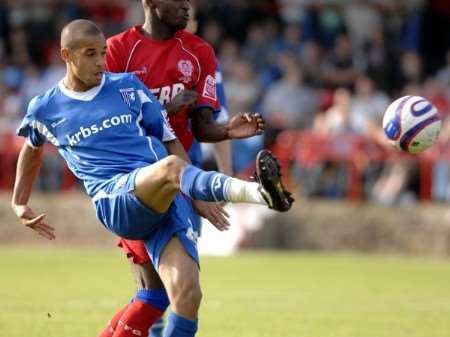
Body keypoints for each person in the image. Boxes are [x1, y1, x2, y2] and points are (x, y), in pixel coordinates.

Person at [11, 19, 293, 337]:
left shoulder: (127, 86)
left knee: (184, 295)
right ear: (66, 55)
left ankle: (261, 193)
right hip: (114, 198)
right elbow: (31, 149)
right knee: (171, 169)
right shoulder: (45, 108)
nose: (100, 62)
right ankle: (261, 194)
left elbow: (171, 139)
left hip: (161, 195)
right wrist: (20, 202)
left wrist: (195, 192)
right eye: (90, 54)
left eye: (103, 53)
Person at [100, 1, 251, 336]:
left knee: (176, 293)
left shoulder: (200, 53)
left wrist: (226, 131)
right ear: (150, 3)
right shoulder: (116, 51)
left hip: (181, 178)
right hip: (132, 183)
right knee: (156, 296)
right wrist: (164, 108)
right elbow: (110, 128)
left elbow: (202, 126)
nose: (187, 6)